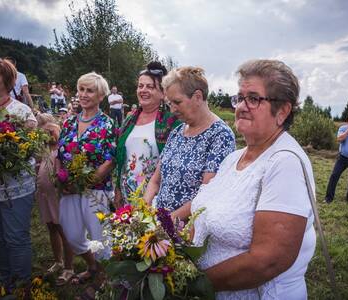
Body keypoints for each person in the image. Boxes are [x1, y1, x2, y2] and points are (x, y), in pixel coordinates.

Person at [191, 59, 316, 299]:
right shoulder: (233, 159)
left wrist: (192, 283)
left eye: (254, 98)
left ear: (282, 111)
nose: (241, 106)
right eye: (239, 97)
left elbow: (267, 261)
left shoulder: (285, 163)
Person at [144, 66, 235, 220]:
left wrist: (166, 223)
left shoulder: (220, 136)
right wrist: (142, 213)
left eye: (177, 102)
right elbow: (155, 180)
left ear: (198, 97)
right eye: (169, 104)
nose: (172, 110)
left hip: (189, 232)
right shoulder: (177, 132)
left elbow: (208, 195)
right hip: (159, 226)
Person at [56, 72, 117, 285]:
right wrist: (61, 178)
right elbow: (58, 153)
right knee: (73, 237)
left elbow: (109, 161)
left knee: (102, 241)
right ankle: (92, 266)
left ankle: (104, 281)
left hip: (97, 191)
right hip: (68, 190)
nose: (83, 94)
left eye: (89, 90)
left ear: (101, 96)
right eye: (81, 89)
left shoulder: (107, 124)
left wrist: (83, 184)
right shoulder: (68, 122)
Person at [115, 62, 180, 208]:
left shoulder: (172, 122)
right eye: (140, 86)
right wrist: (118, 190)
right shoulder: (129, 121)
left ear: (163, 93)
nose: (143, 90)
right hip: (127, 197)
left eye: (150, 87)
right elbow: (122, 159)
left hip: (155, 199)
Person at [0, 58, 37, 288]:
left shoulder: (20, 111)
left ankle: (22, 286)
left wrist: (9, 154)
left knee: (15, 238)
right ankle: (4, 282)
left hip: (16, 188)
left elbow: (33, 147)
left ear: (5, 79)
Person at [35, 113, 74, 286]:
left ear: (58, 129)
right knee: (51, 227)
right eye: (45, 132)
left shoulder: (62, 151)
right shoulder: (43, 151)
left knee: (63, 229)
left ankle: (69, 266)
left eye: (51, 131)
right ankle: (58, 261)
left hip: (58, 196)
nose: (49, 135)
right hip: (44, 195)